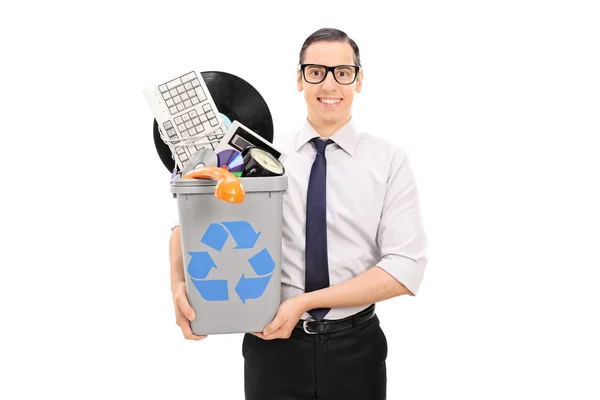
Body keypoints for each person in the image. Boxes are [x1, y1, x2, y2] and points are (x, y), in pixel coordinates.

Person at [169, 28, 428, 400]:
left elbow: (406, 267)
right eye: (315, 71)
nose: (329, 84)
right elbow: (190, 219)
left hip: (357, 349)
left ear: (358, 80)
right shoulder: (259, 158)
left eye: (342, 72)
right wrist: (177, 282)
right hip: (272, 346)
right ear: (299, 78)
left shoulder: (390, 163)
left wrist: (305, 303)